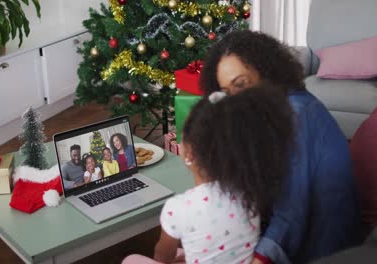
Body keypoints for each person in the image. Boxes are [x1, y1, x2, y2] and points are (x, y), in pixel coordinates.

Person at [199, 30, 361, 264]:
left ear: (265, 72)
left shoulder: (295, 115)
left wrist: (259, 258)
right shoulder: (273, 106)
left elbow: (292, 212)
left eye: (241, 84)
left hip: (322, 243)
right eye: (227, 92)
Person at [122, 85, 295, 264]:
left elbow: (163, 256)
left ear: (188, 153)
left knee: (131, 259)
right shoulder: (251, 194)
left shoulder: (177, 208)